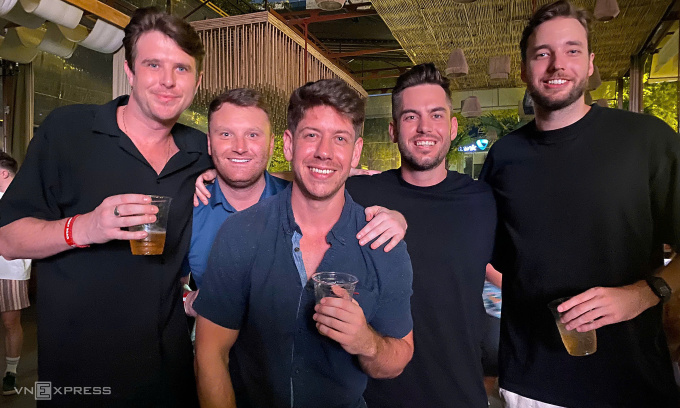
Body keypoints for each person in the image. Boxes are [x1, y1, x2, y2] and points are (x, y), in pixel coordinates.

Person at [0, 8, 211, 406]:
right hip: (79, 371)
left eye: (182, 69)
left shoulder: (201, 151)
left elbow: (260, 189)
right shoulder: (69, 131)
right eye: (153, 64)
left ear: (197, 82)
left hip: (169, 369)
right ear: (130, 71)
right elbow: (8, 239)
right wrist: (85, 227)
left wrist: (355, 185)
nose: (168, 80)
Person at [479, 1, 680, 406]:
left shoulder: (647, 140)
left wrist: (642, 293)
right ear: (524, 71)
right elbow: (486, 254)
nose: (557, 64)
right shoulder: (504, 156)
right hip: (530, 384)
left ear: (590, 64)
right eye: (542, 54)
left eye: (572, 50)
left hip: (632, 381)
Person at [193, 78, 414, 408]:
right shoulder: (240, 233)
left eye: (340, 138)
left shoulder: (383, 243)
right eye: (311, 135)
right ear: (288, 145)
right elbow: (210, 354)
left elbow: (397, 359)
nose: (324, 152)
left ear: (355, 152)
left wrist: (366, 342)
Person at [345, 63, 497, 407]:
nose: (424, 127)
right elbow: (299, 190)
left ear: (452, 127)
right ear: (393, 130)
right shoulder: (358, 194)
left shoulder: (483, 200)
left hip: (460, 394)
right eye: (411, 116)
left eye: (436, 115)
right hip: (375, 396)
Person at [184, 88, 408, 318]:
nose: (240, 147)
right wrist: (187, 299)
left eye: (253, 135)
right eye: (226, 134)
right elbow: (170, 284)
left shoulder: (302, 199)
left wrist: (398, 219)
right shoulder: (189, 208)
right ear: (210, 143)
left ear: (273, 144)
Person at [0, 152, 31, 396]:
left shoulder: (25, 198)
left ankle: (11, 372)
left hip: (11, 269)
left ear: (3, 173)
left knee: (10, 322)